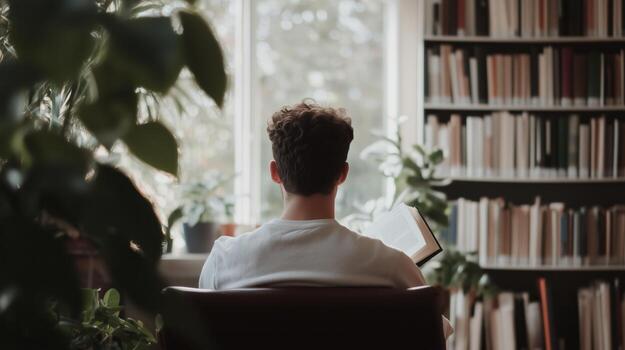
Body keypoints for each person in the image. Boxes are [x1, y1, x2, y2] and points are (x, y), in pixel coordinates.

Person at [199, 101, 452, 337]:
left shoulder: (224, 260)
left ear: (275, 172)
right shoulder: (391, 265)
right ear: (342, 174)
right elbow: (435, 335)